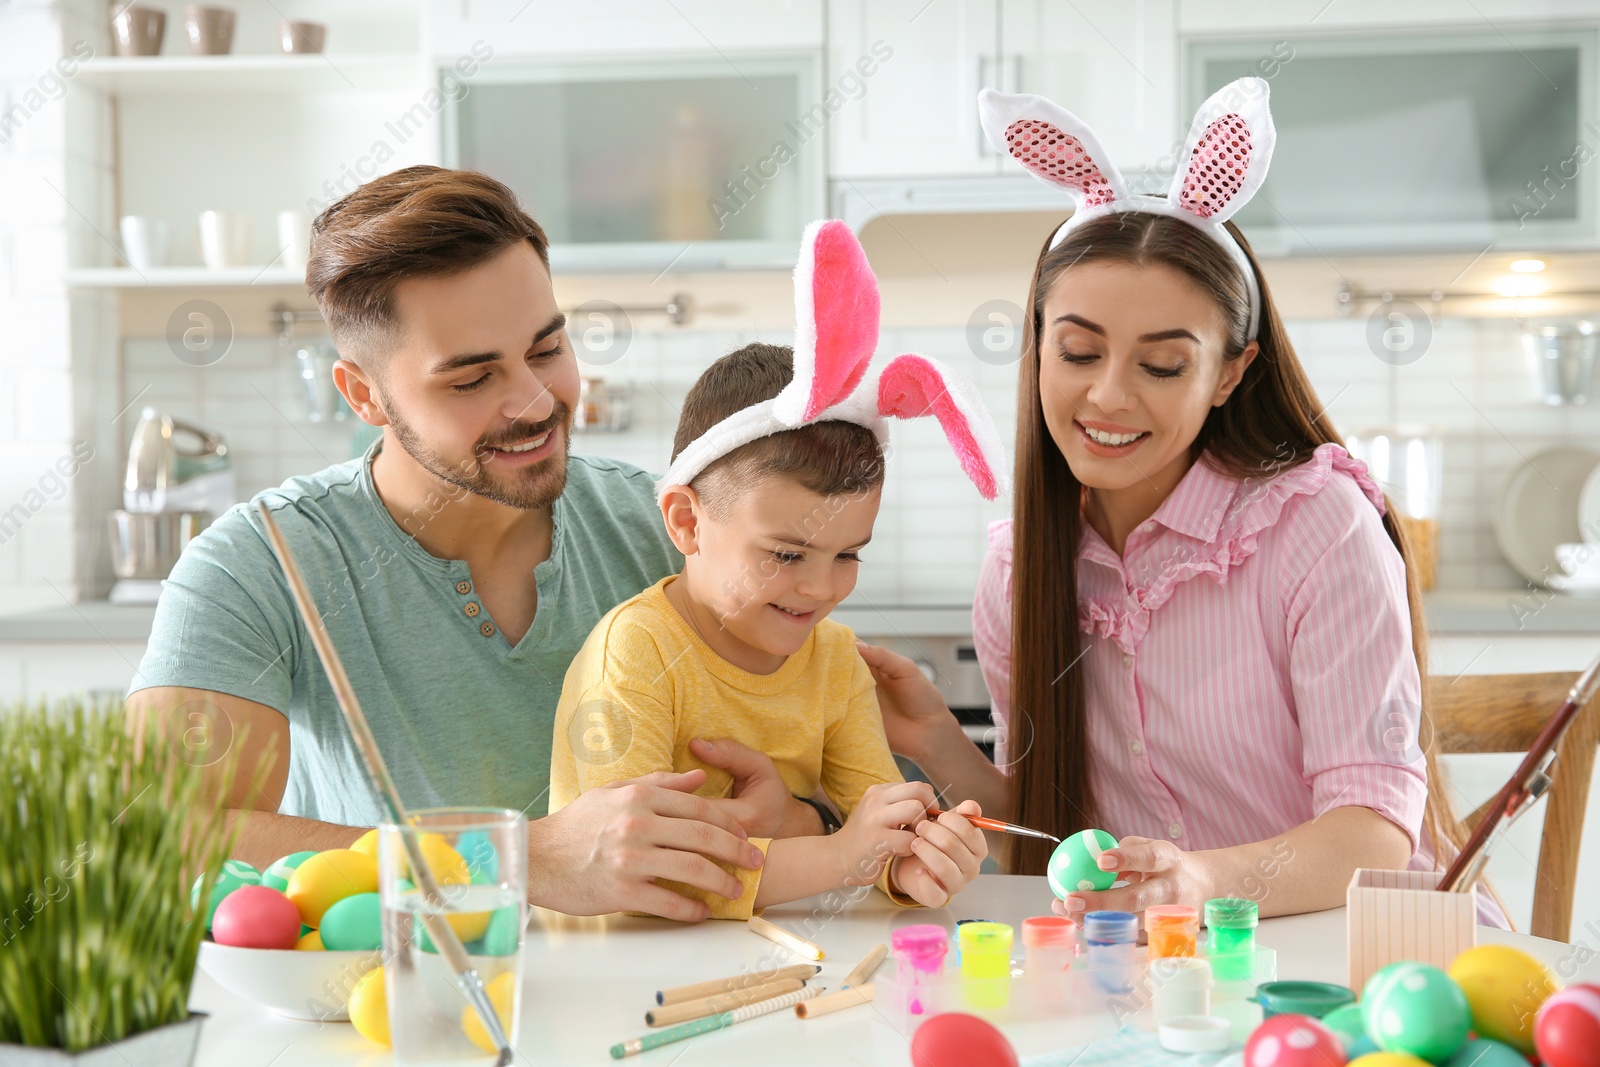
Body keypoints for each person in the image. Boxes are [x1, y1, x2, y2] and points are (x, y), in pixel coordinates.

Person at [858, 79, 1506, 924]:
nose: (1108, 398)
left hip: (1368, 957)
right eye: (1079, 352)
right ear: (1038, 348)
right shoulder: (1022, 566)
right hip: (1173, 970)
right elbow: (1059, 842)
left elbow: (1374, 834)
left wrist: (1199, 882)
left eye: (1162, 365)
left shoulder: (1317, 529)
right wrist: (936, 740)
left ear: (1229, 374)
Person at [125, 166, 834, 923]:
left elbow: (833, 795)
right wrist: (519, 859)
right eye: (471, 379)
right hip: (396, 1014)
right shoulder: (258, 562)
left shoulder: (672, 529)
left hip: (664, 1008)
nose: (535, 401)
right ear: (364, 395)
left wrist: (795, 816)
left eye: (547, 348)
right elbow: (171, 840)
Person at [549, 221, 1008, 917]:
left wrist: (916, 861)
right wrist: (840, 854)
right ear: (685, 521)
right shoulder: (635, 653)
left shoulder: (834, 661)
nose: (821, 589)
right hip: (621, 978)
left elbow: (877, 831)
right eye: (786, 554)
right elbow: (645, 875)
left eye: (848, 554)